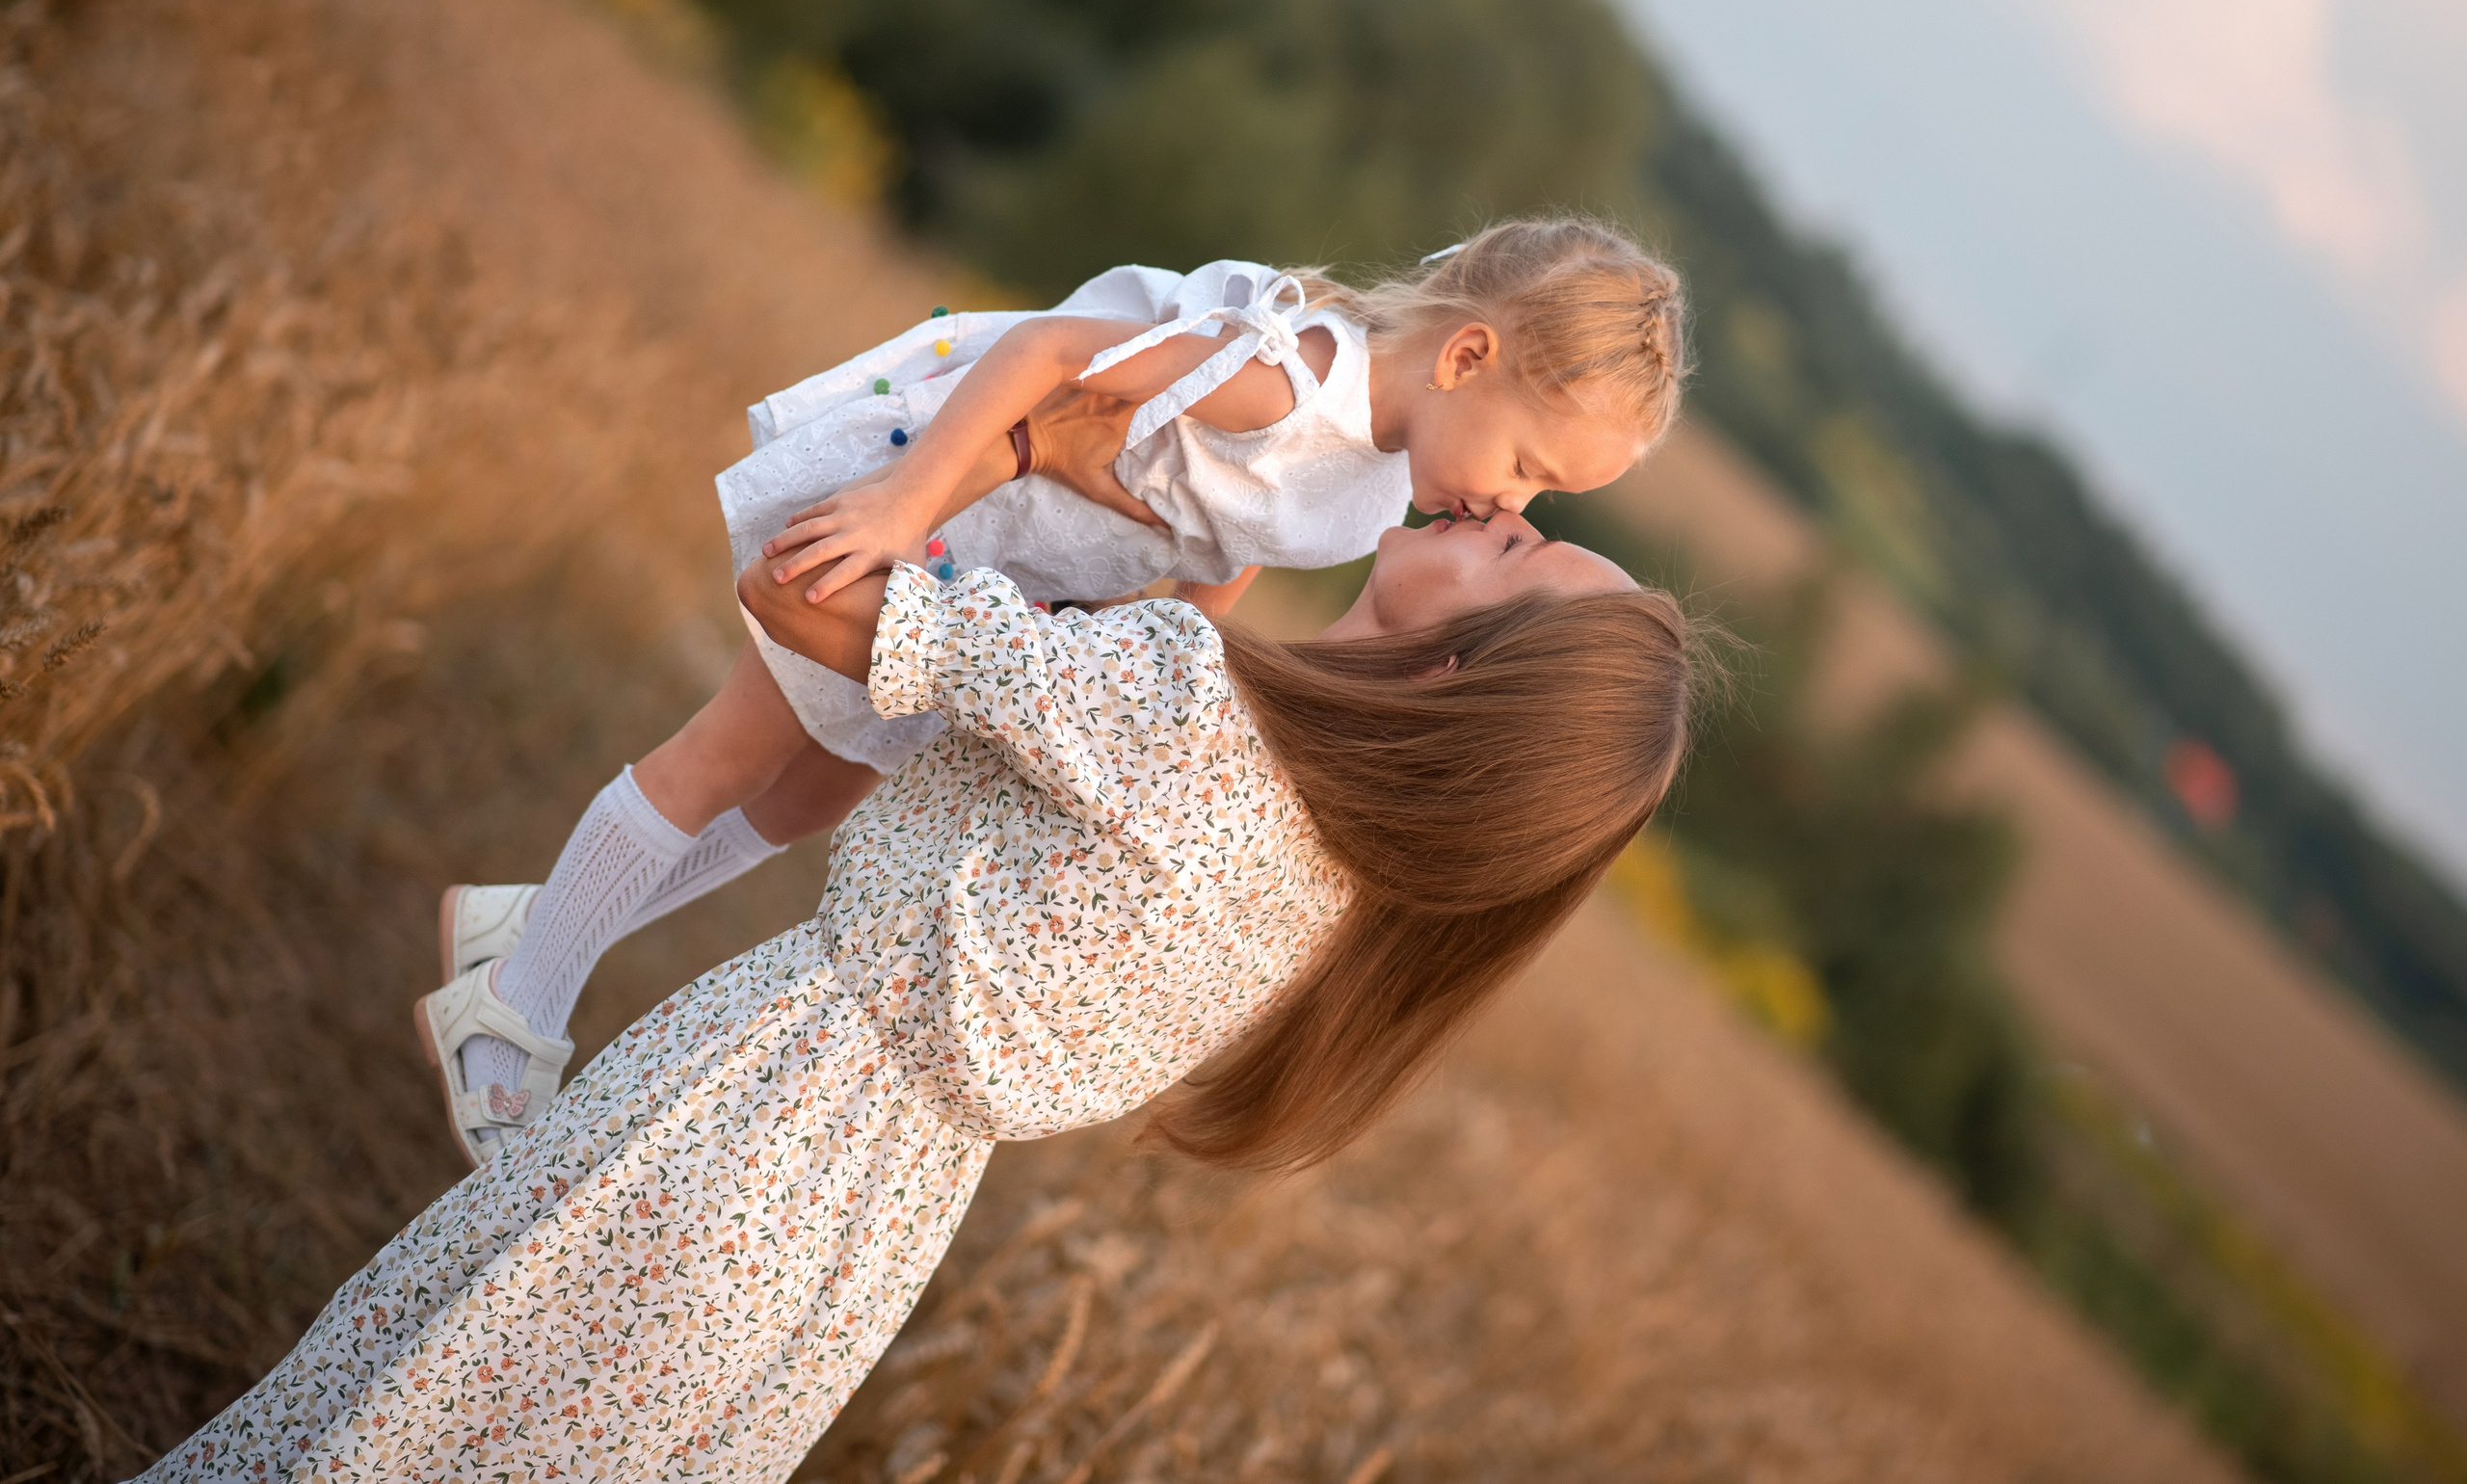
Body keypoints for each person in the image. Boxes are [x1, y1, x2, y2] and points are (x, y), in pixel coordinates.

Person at [145, 505, 1696, 1482]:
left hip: (750, 1112)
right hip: (860, 1240)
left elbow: (801, 590)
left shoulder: (1185, 709)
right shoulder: (1329, 897)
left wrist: (962, 465)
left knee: (407, 1413)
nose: (1504, 508)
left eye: (1519, 553)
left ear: (1455, 677)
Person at [423, 218, 1690, 1168]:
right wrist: (904, 505)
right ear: (1467, 355)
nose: (1512, 502)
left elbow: (1224, 550)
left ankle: (535, 920)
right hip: (956, 506)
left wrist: (1161, 657)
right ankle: (514, 1002)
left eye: (1544, 498)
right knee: (725, 755)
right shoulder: (1286, 381)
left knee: (811, 798)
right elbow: (1046, 351)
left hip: (1024, 589)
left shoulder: (1368, 490)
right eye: (1529, 466)